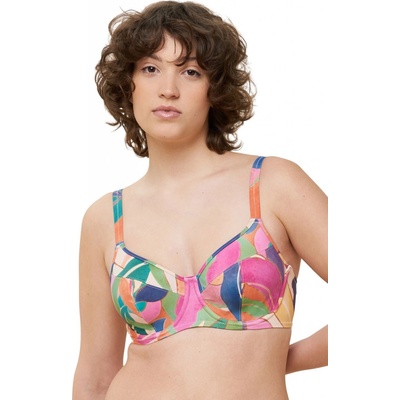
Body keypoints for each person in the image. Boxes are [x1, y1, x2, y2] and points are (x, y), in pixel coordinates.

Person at [72, 1, 328, 399]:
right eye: (150, 69)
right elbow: (95, 374)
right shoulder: (105, 218)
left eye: (190, 71)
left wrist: (281, 360)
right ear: (129, 85)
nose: (168, 89)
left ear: (215, 88)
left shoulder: (274, 185)